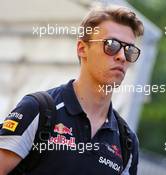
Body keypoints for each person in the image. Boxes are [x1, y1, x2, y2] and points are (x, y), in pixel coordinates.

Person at [0, 6, 144, 175]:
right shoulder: (38, 110)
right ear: (82, 49)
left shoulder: (126, 141)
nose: (121, 56)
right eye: (111, 45)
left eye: (129, 50)